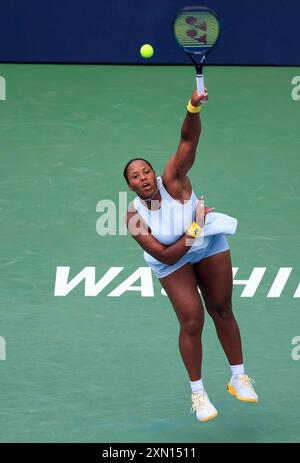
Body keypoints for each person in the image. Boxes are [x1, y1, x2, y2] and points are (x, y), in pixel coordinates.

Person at [123, 88, 258, 423]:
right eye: (134, 177)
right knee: (192, 319)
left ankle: (238, 377)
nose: (142, 178)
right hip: (175, 257)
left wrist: (193, 107)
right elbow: (166, 257)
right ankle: (198, 393)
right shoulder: (133, 217)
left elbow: (188, 141)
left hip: (208, 244)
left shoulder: (172, 179)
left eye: (145, 171)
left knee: (222, 308)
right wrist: (193, 228)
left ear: (154, 174)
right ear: (131, 187)